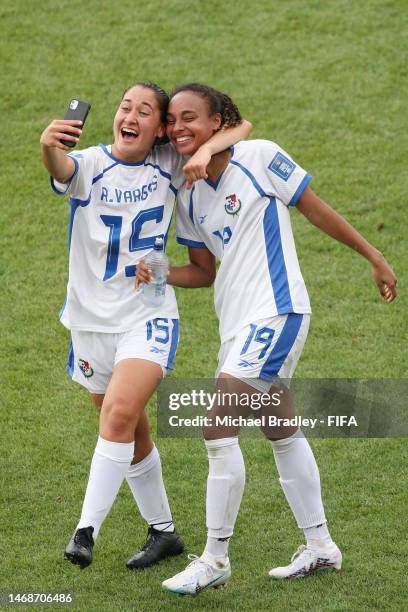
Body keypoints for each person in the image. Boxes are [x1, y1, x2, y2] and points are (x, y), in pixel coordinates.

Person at [136, 83, 397, 595]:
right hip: (236, 326)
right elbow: (203, 271)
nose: (179, 127)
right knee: (280, 428)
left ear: (217, 124)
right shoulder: (188, 197)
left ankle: (214, 559)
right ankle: (320, 546)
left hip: (277, 312)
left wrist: (374, 257)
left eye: (192, 117)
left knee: (216, 427)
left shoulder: (259, 156)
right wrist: (159, 272)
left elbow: (315, 207)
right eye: (173, 119)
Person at [40, 82, 252, 570]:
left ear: (160, 129)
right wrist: (48, 146)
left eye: (144, 112)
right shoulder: (89, 164)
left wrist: (208, 147)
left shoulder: (169, 163)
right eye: (124, 107)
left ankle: (85, 530)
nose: (129, 116)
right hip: (90, 323)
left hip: (148, 314)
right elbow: (60, 168)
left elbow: (240, 126)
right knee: (128, 427)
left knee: (116, 415)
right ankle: (164, 533)